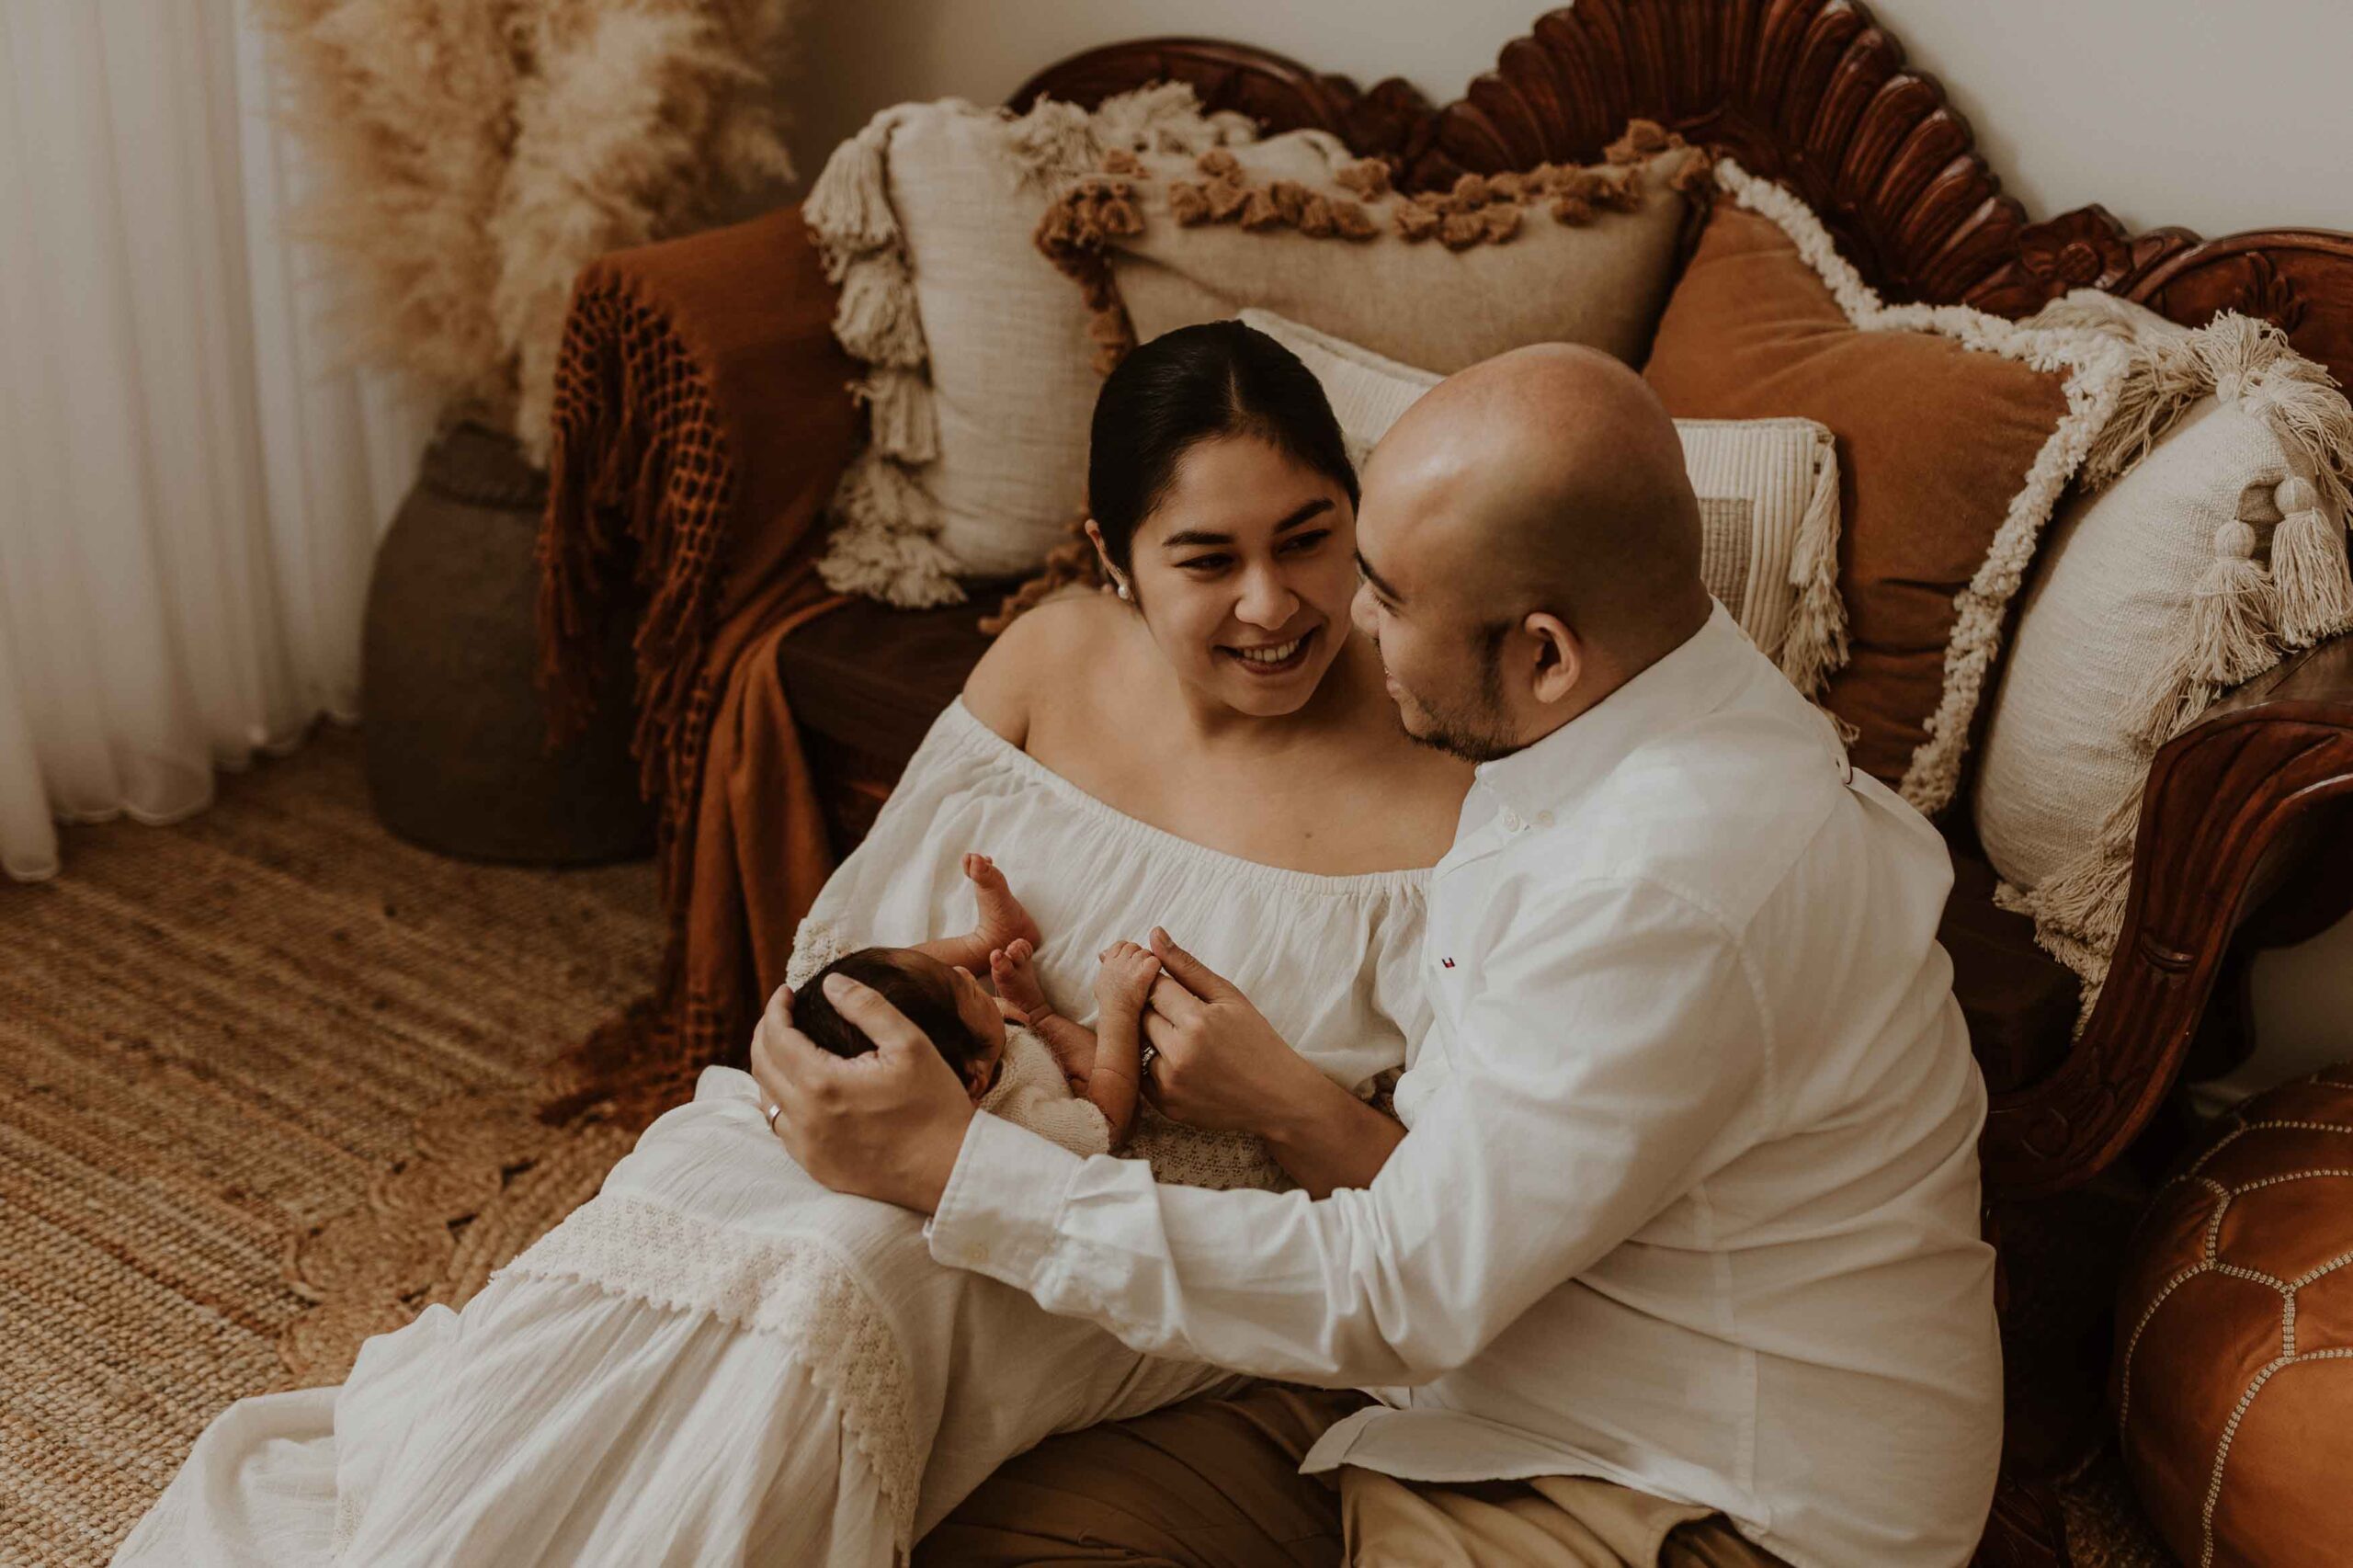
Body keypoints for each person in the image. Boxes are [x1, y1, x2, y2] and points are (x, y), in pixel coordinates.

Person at [110, 320, 1471, 1568]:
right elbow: (856, 951)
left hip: (1142, 1233)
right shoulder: (1054, 657)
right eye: (1206, 559)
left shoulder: (1446, 775)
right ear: (1116, 560)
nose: (1272, 602)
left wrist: (1277, 1097)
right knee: (676, 1196)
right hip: (938, 1088)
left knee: (836, 1280)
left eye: (1307, 538)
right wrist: (932, 997)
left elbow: (1446, 1216)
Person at [756, 344, 2006, 1568]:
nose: (1344, 618)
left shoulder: (1659, 883)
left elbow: (1395, 1290)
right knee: (929, 1505)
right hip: (1468, 1398)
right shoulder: (1624, 706)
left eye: (1387, 596)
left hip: (1692, 1496)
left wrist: (954, 1166)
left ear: (1546, 653)